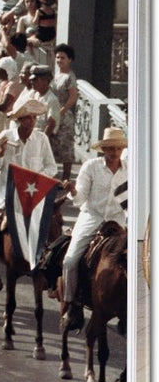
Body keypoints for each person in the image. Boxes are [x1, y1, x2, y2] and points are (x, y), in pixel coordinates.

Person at [0, 98, 57, 300]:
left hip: (34, 194)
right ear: (19, 120)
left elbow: (51, 167)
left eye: (34, 117)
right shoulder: (5, 136)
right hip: (7, 194)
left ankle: (50, 274)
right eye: (27, 118)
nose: (32, 121)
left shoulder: (41, 139)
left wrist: (36, 178)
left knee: (53, 226)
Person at [59, 127, 128, 332]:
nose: (113, 152)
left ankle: (130, 307)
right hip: (92, 217)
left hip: (118, 221)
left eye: (117, 148)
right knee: (70, 260)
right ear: (103, 149)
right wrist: (72, 191)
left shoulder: (130, 169)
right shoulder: (91, 167)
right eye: (109, 148)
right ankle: (71, 303)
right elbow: (80, 198)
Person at [50, 44, 79, 181]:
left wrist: (62, 111)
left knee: (66, 147)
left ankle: (66, 178)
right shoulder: (56, 75)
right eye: (57, 57)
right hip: (53, 112)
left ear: (70, 59)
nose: (59, 60)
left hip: (64, 115)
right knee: (53, 145)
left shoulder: (69, 77)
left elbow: (73, 97)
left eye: (63, 58)